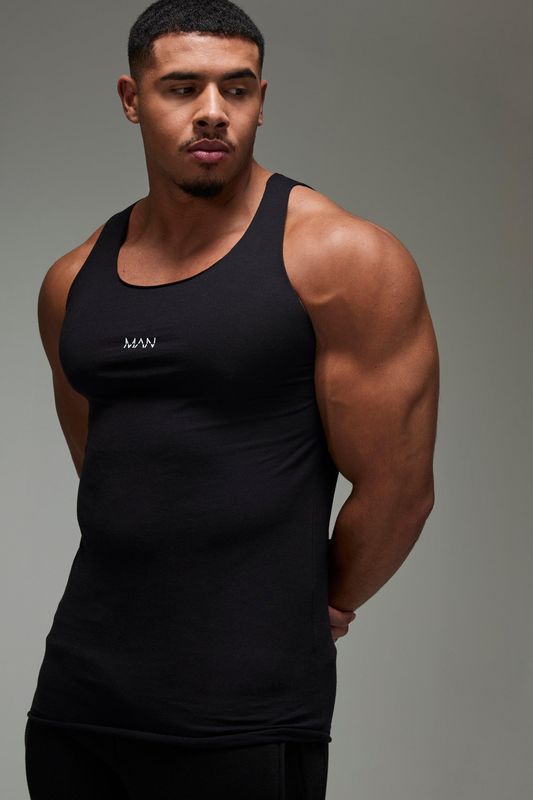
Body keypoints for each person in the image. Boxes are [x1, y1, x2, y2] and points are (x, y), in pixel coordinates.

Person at [24, 0, 439, 797]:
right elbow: (107, 471)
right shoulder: (72, 283)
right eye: (182, 87)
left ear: (259, 99)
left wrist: (318, 605)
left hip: (244, 709)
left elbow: (399, 489)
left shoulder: (339, 257)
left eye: (236, 89)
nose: (213, 111)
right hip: (81, 698)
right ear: (131, 99)